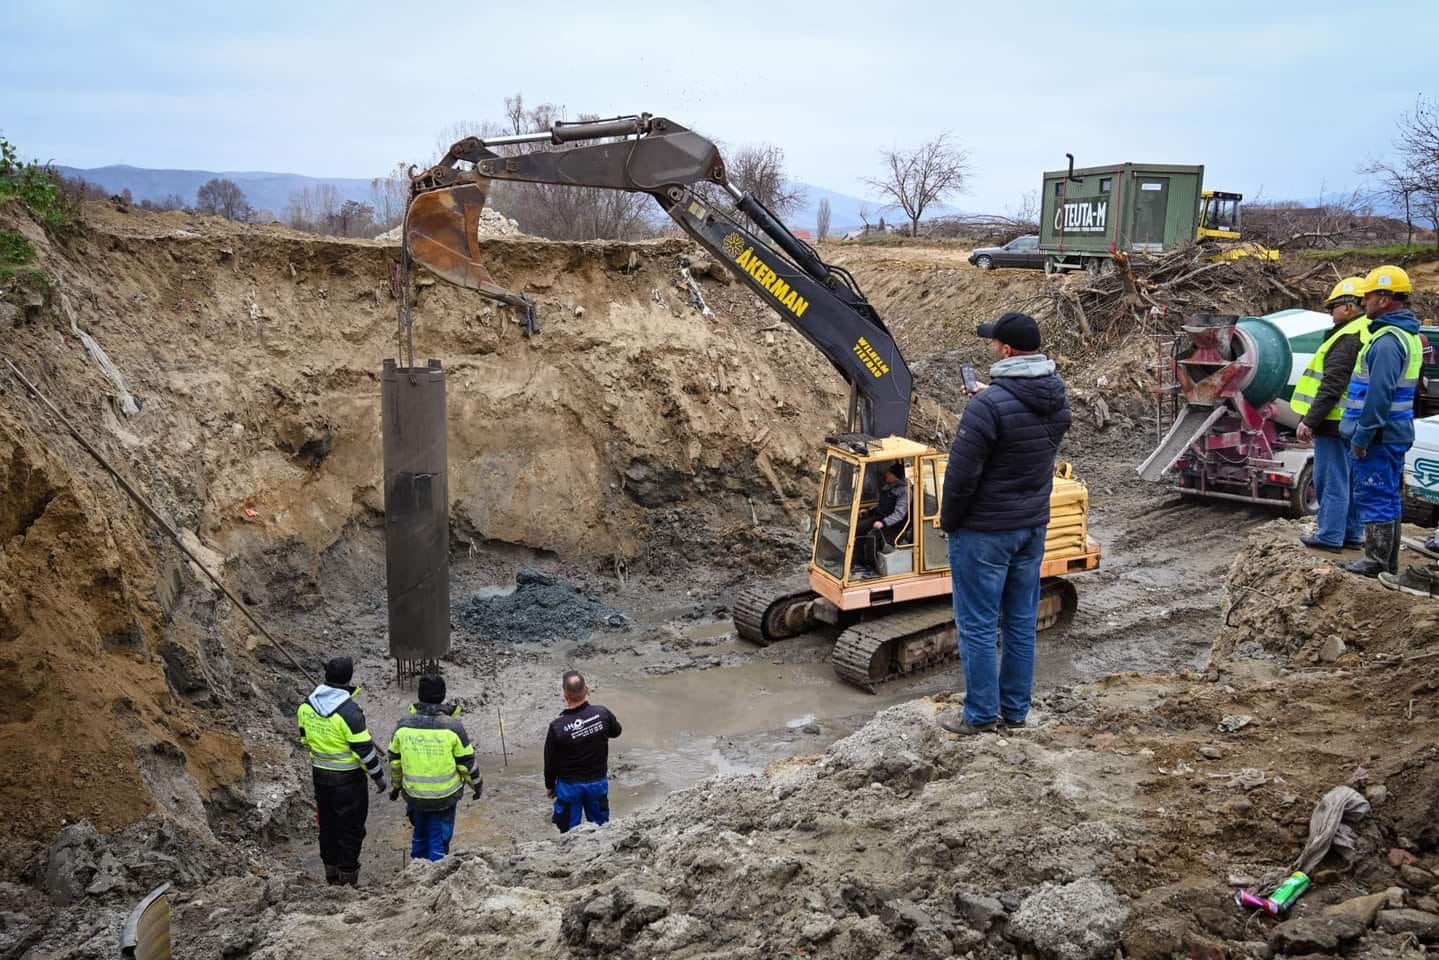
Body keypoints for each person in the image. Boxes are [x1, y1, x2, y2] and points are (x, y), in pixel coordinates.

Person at [937, 312, 1071, 736]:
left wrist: (950, 522)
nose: (991, 347)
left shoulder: (988, 407)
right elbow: (1023, 430)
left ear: (1006, 351)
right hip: (1031, 526)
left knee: (977, 624)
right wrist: (988, 398)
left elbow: (960, 477)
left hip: (985, 532)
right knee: (1019, 621)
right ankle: (1015, 712)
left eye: (994, 343)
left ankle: (979, 715)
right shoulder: (1056, 396)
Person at [1340, 265, 1424, 577]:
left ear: (1385, 299)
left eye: (1369, 296)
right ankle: (1386, 564)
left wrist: (1362, 437)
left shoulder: (1388, 341)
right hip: (1394, 431)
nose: (1364, 302)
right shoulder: (1408, 335)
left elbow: (1379, 395)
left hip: (1379, 436)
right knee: (1388, 495)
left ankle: (1375, 562)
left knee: (1374, 493)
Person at [1292, 277, 1371, 551]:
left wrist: (1309, 421)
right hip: (1354, 421)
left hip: (1334, 423)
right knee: (1350, 479)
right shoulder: (1367, 331)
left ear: (1349, 307)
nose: (1330, 313)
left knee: (1332, 481)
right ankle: (1351, 533)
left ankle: (1330, 535)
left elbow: (1332, 385)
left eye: (1333, 307)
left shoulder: (1348, 337)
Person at [296, 656, 387, 886]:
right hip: (348, 780)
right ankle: (347, 880)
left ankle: (331, 875)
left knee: (327, 825)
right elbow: (365, 751)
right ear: (348, 679)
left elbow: (304, 739)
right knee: (351, 828)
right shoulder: (350, 712)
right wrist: (378, 778)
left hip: (320, 775)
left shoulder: (306, 706)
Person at [387, 674, 481, 861]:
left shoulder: (403, 725)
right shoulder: (453, 727)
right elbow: (467, 764)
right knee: (440, 838)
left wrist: (396, 787)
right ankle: (436, 871)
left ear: (420, 696)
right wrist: (477, 785)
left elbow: (395, 762)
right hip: (444, 797)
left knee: (420, 834)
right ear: (443, 696)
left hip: (415, 795)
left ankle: (417, 870)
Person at [543, 671, 622, 833]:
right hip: (597, 782)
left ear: (565, 694)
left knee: (569, 831)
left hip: (569, 786)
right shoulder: (602, 713)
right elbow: (616, 731)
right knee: (601, 827)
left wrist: (550, 786)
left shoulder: (557, 727)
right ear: (586, 690)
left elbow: (550, 761)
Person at [853, 461, 909, 573]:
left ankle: (872, 566)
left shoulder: (903, 491)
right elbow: (882, 505)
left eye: (889, 473)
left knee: (871, 536)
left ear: (895, 477)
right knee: (858, 528)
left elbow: (899, 514)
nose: (886, 474)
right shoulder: (888, 486)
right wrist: (869, 511)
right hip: (879, 517)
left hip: (893, 525)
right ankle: (858, 561)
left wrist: (883, 523)